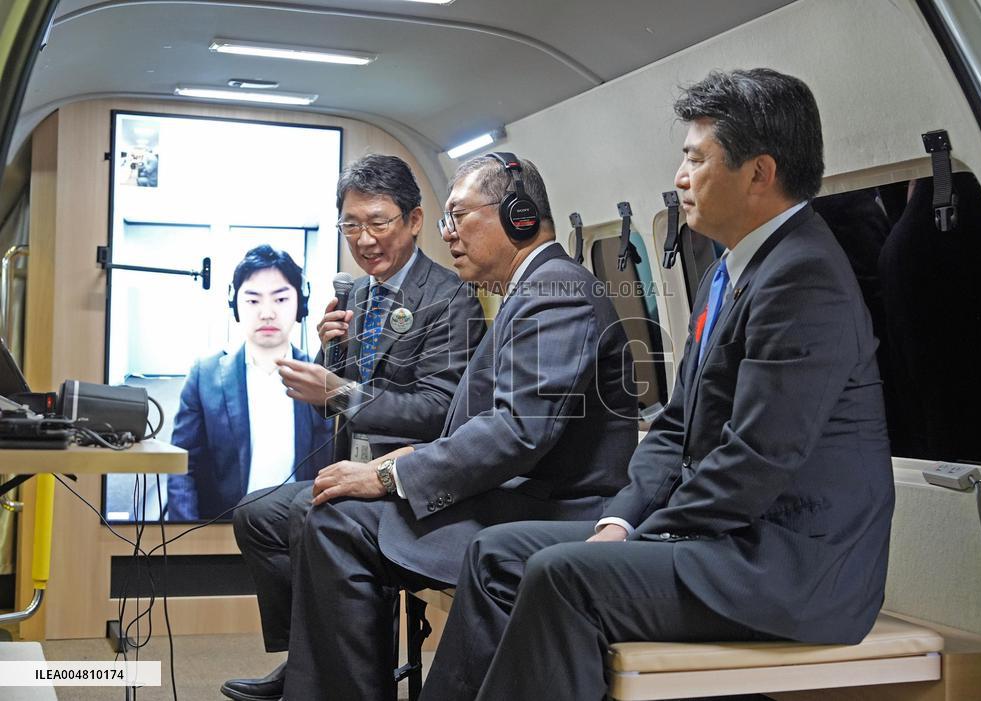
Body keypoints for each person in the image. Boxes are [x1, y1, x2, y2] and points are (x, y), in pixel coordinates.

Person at [419, 69, 895, 701]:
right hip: (732, 538)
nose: (678, 177)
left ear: (759, 172)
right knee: (495, 554)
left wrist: (646, 535)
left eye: (695, 158)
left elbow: (757, 458)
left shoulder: (802, 278)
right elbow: (675, 426)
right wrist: (620, 517)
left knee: (566, 575)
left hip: (793, 568)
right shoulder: (735, 270)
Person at [225, 152, 638, 701]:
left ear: (517, 217)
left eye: (458, 217)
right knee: (332, 518)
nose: (448, 236)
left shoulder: (555, 293)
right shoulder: (534, 290)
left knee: (337, 521)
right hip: (515, 495)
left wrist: (395, 474)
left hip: (548, 508)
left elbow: (517, 432)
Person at [222, 154, 487, 700]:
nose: (363, 239)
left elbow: (439, 408)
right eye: (350, 225)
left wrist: (338, 390)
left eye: (378, 222)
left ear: (414, 222)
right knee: (255, 515)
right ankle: (307, 658)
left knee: (305, 511)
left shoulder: (450, 299)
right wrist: (330, 352)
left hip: (414, 479)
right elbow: (338, 400)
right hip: (354, 466)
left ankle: (340, 675)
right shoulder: (358, 295)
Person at [167, 245, 332, 521]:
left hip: (302, 533)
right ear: (235, 304)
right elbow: (182, 466)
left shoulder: (320, 376)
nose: (267, 313)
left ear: (300, 303)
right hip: (220, 533)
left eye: (280, 300)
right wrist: (187, 544)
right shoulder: (204, 375)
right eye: (253, 300)